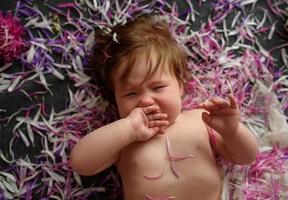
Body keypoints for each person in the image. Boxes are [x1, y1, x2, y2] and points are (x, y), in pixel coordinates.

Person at [70, 13, 258, 200]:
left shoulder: (201, 120)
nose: (145, 101)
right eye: (130, 94)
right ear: (116, 99)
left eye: (158, 87)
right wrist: (128, 129)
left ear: (180, 85)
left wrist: (232, 131)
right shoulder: (123, 139)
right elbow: (80, 163)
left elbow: (245, 157)